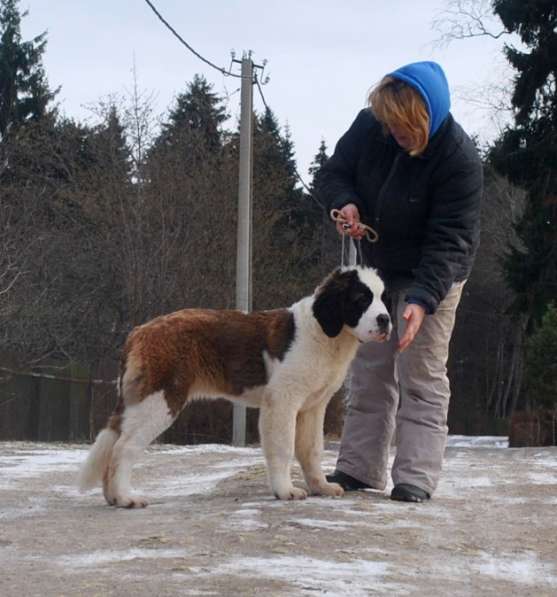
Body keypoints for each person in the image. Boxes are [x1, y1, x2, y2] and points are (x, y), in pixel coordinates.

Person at [318, 61, 483, 502]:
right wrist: (346, 202)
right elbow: (334, 172)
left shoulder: (459, 160)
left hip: (435, 272)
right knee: (370, 371)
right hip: (378, 269)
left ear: (426, 119)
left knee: (421, 371)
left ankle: (415, 476)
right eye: (389, 125)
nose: (394, 135)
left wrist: (422, 299)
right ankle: (356, 468)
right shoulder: (371, 127)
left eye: (404, 128)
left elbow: (450, 241)